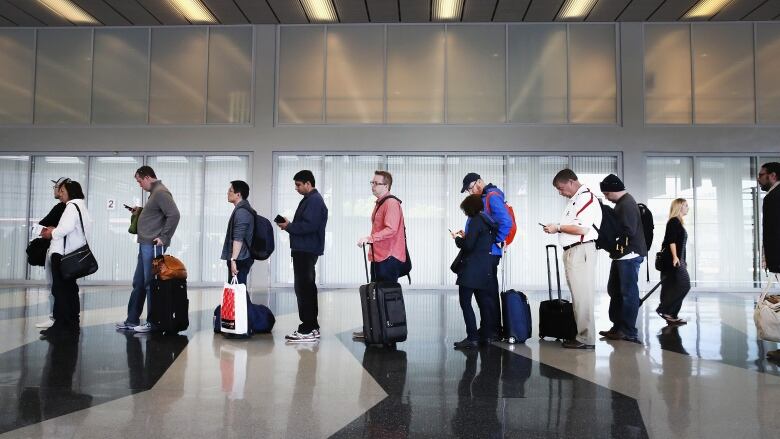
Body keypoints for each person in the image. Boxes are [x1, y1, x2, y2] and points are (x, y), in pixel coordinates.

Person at [116, 166, 180, 333]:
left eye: (139, 181)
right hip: (145, 244)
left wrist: (164, 238)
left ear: (147, 177)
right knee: (139, 283)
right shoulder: (155, 193)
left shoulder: (161, 192)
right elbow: (157, 214)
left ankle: (153, 322)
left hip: (152, 246)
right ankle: (131, 320)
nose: (139, 185)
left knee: (151, 284)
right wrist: (141, 211)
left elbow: (174, 214)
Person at [543, 169, 602, 349]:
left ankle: (585, 338)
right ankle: (582, 335)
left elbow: (582, 229)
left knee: (582, 296)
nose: (560, 192)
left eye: (561, 188)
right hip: (573, 251)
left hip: (581, 251)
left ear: (571, 182)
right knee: (578, 296)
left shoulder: (586, 198)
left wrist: (558, 227)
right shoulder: (574, 200)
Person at [353, 171, 407, 340]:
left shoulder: (390, 203)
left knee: (386, 297)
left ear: (387, 186)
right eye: (372, 182)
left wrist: (370, 238)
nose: (373, 186)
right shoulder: (380, 203)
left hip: (389, 258)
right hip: (379, 256)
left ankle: (387, 333)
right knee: (377, 294)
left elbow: (391, 229)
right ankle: (374, 330)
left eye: (376, 183)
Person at [459, 172, 512, 342]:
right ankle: (487, 330)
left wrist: (494, 240)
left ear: (479, 182)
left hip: (487, 255)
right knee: (484, 294)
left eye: (470, 188)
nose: (470, 192)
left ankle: (493, 331)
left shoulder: (492, 196)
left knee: (488, 295)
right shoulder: (484, 197)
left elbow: (506, 222)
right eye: (468, 190)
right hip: (483, 254)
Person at [277, 170, 328, 344]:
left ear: (308, 183)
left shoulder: (314, 200)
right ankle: (310, 327)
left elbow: (309, 226)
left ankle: (309, 328)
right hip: (303, 250)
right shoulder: (309, 200)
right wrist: (290, 225)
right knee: (304, 288)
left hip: (306, 250)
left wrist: (289, 226)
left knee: (305, 289)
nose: (296, 188)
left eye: (298, 185)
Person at [598, 174, 647, 345]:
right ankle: (618, 328)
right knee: (616, 291)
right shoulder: (622, 203)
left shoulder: (626, 204)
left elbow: (628, 231)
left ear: (613, 190)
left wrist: (611, 241)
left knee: (627, 294)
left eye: (606, 193)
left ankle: (628, 331)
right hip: (622, 256)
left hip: (629, 255)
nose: (606, 197)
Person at [39, 180, 92, 337]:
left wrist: (52, 232)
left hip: (62, 254)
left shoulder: (71, 207)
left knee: (60, 289)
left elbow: (66, 228)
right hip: (73, 255)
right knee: (70, 289)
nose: (60, 194)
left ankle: (60, 325)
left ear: (71, 192)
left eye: (62, 191)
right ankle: (72, 322)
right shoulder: (82, 207)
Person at [451, 194, 498, 349]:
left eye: (465, 210)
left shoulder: (475, 221)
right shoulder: (487, 220)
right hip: (485, 268)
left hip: (471, 269)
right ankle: (487, 335)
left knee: (465, 303)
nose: (464, 213)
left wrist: (457, 239)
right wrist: (467, 236)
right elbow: (480, 241)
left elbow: (469, 246)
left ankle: (472, 337)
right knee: (484, 303)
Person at [35, 177, 69, 329]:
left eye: (58, 188)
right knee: (57, 286)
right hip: (56, 250)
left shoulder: (65, 208)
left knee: (56, 286)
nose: (55, 191)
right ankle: (57, 317)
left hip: (59, 252)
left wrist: (50, 229)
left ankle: (56, 317)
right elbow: (44, 225)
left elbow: (45, 225)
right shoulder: (63, 207)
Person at [656, 198, 691, 325]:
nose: (688, 208)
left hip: (678, 260)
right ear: (679, 207)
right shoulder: (673, 221)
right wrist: (675, 257)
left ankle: (671, 314)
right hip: (673, 260)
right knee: (684, 285)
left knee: (673, 286)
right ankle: (665, 310)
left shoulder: (678, 222)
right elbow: (671, 241)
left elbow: (680, 244)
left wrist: (682, 260)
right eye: (686, 205)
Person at [758, 162, 780, 361]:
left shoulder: (773, 197)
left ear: (772, 175)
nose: (759, 178)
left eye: (761, 175)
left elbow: (773, 233)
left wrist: (772, 261)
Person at [222, 180, 255, 285]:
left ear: (238, 194)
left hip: (240, 258)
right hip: (241, 256)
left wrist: (233, 260)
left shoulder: (242, 212)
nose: (228, 193)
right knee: (238, 291)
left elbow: (238, 238)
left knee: (236, 292)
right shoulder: (243, 209)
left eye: (230, 191)